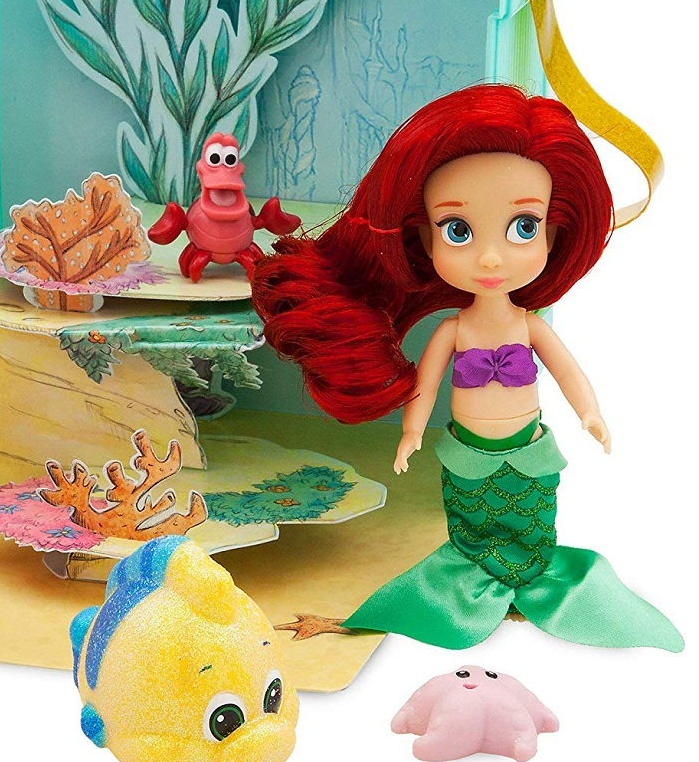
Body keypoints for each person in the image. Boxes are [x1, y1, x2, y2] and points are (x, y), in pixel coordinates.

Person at [251, 84, 682, 650]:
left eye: (523, 227)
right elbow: (426, 386)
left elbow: (567, 370)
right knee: (473, 523)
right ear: (424, 237)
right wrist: (410, 433)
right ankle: (475, 585)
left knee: (530, 516)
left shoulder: (528, 326)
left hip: (528, 446)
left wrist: (591, 413)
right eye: (458, 231)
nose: (491, 256)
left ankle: (528, 580)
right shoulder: (454, 331)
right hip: (467, 452)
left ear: (553, 232)